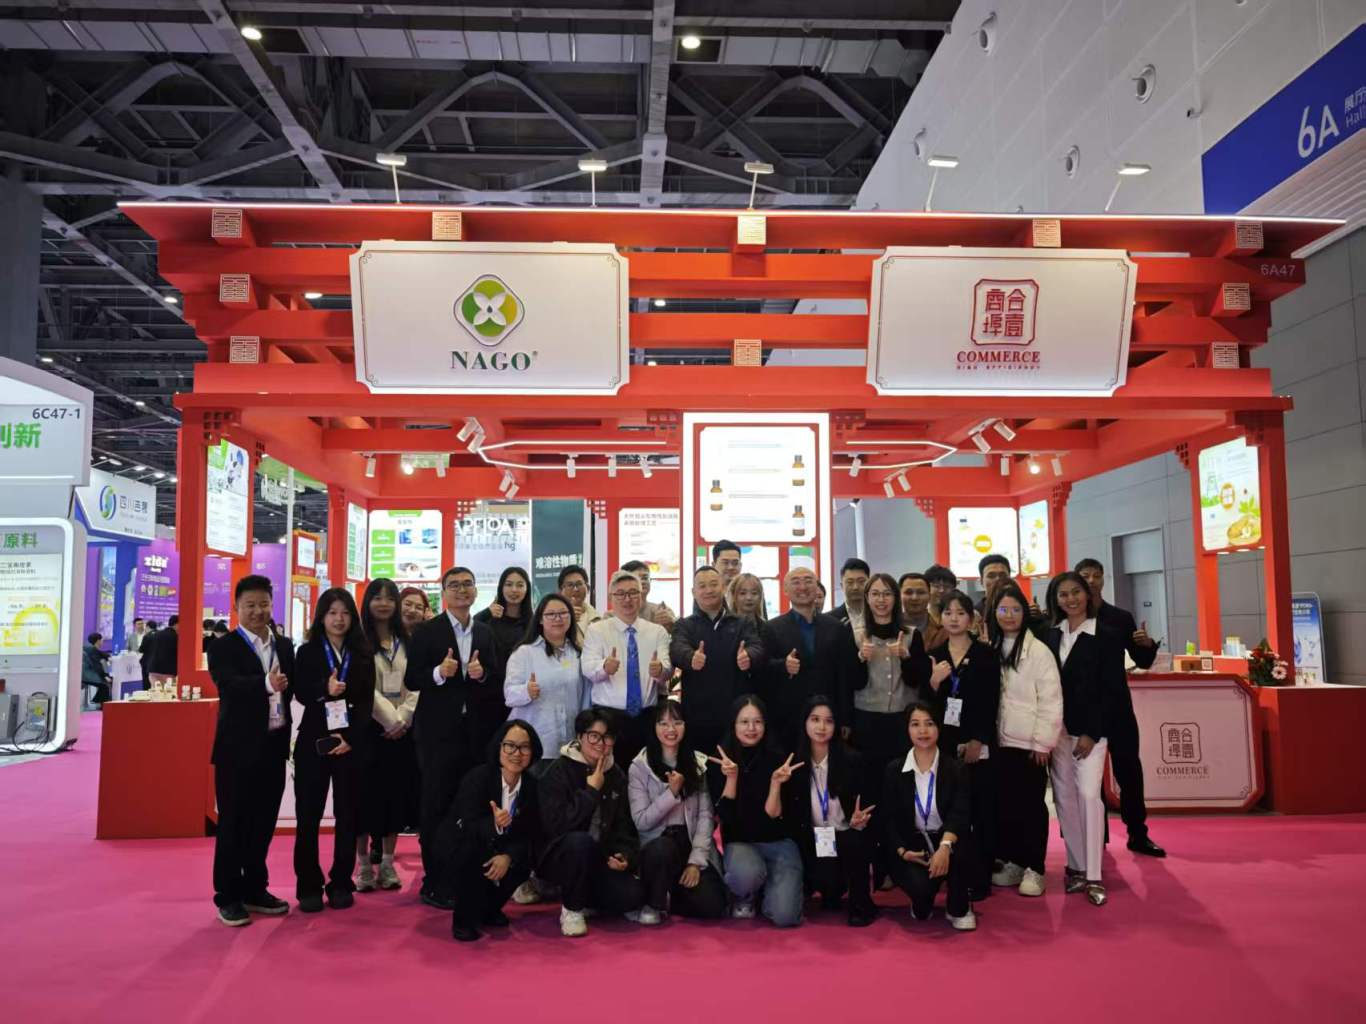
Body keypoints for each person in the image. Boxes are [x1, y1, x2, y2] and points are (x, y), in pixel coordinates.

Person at [405, 566, 503, 910]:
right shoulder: (427, 631)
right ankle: (434, 880)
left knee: (470, 806)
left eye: (468, 584)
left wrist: (482, 673)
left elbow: (495, 680)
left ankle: (465, 875)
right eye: (455, 585)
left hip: (474, 735)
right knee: (435, 806)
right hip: (438, 736)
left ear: (476, 590)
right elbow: (412, 678)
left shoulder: (485, 632)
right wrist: (438, 672)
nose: (462, 590)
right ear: (444, 592)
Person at [208, 575, 295, 926]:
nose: (258, 611)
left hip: (274, 746)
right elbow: (228, 684)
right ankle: (228, 896)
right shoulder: (223, 647)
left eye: (264, 604)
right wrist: (265, 684)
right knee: (233, 823)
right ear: (237, 608)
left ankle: (256, 888)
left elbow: (294, 688)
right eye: (250, 605)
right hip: (237, 750)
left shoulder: (284, 645)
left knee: (263, 823)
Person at [1045, 571, 1128, 907]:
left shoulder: (1106, 636)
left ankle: (1094, 874)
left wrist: (1092, 732)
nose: (1071, 599)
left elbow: (1112, 691)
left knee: (1089, 796)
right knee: (1064, 798)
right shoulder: (1050, 635)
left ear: (1088, 595)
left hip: (1090, 735)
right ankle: (1076, 867)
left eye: (1076, 592)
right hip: (1056, 733)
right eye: (1063, 594)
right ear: (1055, 599)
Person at [502, 592, 590, 906]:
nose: (557, 619)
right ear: (540, 619)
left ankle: (551, 876)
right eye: (551, 614)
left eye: (563, 614)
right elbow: (508, 695)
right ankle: (522, 878)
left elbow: (585, 698)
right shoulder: (525, 653)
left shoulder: (578, 654)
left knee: (560, 819)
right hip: (536, 747)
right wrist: (527, 691)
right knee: (530, 817)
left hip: (568, 750)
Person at [1075, 557, 1165, 858]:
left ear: (1103, 579)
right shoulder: (1068, 618)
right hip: (1083, 710)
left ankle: (1138, 833)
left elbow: (1142, 661)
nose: (1091, 580)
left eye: (1096, 575)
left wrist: (1146, 644)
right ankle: (1096, 838)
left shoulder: (1120, 617)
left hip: (1118, 707)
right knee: (1088, 778)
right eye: (1085, 575)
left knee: (1129, 772)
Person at [292, 587, 374, 913]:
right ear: (321, 617)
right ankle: (308, 886)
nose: (339, 619)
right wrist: (323, 689)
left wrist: (351, 737)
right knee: (308, 816)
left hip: (350, 745)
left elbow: (366, 702)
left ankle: (341, 882)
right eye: (332, 613)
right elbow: (300, 692)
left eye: (345, 613)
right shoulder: (307, 652)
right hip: (314, 742)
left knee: (348, 815)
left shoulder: (363, 653)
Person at [849, 572, 929, 885]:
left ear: (895, 599)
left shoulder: (911, 635)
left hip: (901, 724)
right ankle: (877, 866)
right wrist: (860, 658)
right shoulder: (855, 634)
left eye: (887, 594)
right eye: (875, 594)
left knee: (899, 794)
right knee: (870, 793)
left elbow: (918, 681)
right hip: (867, 724)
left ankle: (900, 863)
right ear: (867, 599)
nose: (881, 600)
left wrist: (906, 657)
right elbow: (850, 683)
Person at [538, 709, 645, 937]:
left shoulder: (617, 775)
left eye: (607, 737)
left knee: (633, 895)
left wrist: (625, 855)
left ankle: (585, 897)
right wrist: (591, 791)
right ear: (580, 737)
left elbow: (624, 826)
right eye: (594, 736)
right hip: (560, 856)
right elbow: (556, 825)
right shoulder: (557, 772)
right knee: (580, 842)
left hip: (599, 858)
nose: (601, 743)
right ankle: (571, 909)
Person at [986, 582, 1062, 898]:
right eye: (1003, 609)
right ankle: (1014, 862)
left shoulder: (1038, 651)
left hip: (1028, 744)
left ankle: (1035, 867)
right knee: (1005, 806)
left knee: (1031, 807)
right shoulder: (990, 646)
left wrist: (1043, 742)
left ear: (1024, 613)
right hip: (998, 743)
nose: (1009, 615)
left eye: (1015, 609)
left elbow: (1051, 699)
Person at [925, 590, 1001, 898]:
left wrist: (978, 739)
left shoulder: (986, 653)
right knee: (951, 807)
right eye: (948, 613)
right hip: (944, 742)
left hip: (977, 739)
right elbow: (927, 705)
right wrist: (933, 681)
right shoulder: (935, 653)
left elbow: (991, 701)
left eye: (960, 613)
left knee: (981, 807)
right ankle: (953, 873)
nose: (954, 619)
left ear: (971, 618)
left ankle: (980, 878)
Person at [628, 701, 729, 924]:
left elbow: (705, 817)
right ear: (654, 728)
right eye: (663, 723)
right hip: (658, 845)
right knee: (661, 850)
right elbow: (642, 821)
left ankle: (670, 896)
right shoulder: (639, 767)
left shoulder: (698, 764)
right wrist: (671, 793)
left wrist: (695, 862)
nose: (671, 729)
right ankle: (654, 901)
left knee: (714, 905)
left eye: (677, 722)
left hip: (689, 844)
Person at [442, 719, 543, 942]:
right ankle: (463, 920)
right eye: (510, 746)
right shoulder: (478, 778)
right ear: (499, 747)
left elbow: (530, 831)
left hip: (504, 849)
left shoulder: (532, 786)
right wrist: (494, 825)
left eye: (524, 747)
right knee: (471, 855)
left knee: (523, 861)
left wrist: (508, 856)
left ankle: (490, 910)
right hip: (467, 846)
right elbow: (466, 823)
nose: (517, 753)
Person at [708, 695, 804, 927]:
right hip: (741, 842)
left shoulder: (779, 758)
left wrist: (775, 784)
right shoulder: (721, 760)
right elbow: (726, 817)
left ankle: (768, 892)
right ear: (733, 724)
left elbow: (773, 816)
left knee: (785, 917)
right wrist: (731, 778)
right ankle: (747, 893)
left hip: (778, 842)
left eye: (757, 721)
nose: (751, 728)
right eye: (744, 722)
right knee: (745, 876)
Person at [786, 697, 877, 926]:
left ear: (836, 726)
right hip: (810, 837)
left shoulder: (851, 760)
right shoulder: (793, 763)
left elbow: (867, 803)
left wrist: (859, 820)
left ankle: (859, 906)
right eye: (815, 719)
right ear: (805, 723)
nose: (821, 727)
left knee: (857, 842)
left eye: (828, 721)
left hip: (844, 834)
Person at [884, 703, 976, 930]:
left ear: (938, 728)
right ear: (907, 729)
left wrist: (945, 847)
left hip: (947, 838)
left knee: (964, 850)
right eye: (915, 724)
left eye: (929, 723)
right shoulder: (894, 770)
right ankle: (922, 899)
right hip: (913, 845)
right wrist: (903, 852)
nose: (923, 731)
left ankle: (959, 907)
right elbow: (889, 819)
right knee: (921, 899)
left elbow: (960, 813)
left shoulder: (955, 769)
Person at [355, 578, 418, 894]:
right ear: (367, 603)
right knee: (364, 798)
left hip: (402, 732)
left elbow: (417, 683)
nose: (383, 604)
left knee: (395, 796)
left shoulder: (407, 641)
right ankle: (364, 865)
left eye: (389, 598)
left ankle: (389, 863)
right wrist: (390, 720)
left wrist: (403, 717)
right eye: (377, 598)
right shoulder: (357, 641)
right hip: (369, 731)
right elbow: (363, 687)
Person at [670, 565, 765, 755]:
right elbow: (677, 649)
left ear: (723, 587)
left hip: (735, 712)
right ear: (693, 592)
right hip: (697, 713)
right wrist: (690, 657)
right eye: (702, 586)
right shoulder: (684, 625)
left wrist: (749, 656)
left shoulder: (742, 623)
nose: (709, 590)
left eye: (714, 584)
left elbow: (757, 647)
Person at [581, 570, 672, 766]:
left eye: (633, 593)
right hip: (608, 717)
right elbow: (587, 668)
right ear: (611, 598)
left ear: (642, 595)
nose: (627, 599)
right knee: (609, 773)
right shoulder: (597, 631)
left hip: (647, 717)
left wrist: (660, 671)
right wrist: (604, 667)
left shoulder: (657, 632)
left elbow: (667, 670)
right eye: (620, 594)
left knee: (647, 771)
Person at [759, 567, 856, 747]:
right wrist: (783, 665)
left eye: (808, 581)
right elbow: (762, 669)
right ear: (785, 590)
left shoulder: (836, 627)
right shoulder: (772, 628)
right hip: (788, 717)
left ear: (817, 587)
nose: (802, 587)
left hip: (828, 716)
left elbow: (844, 676)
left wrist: (845, 718)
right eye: (796, 582)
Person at [474, 567, 532, 662]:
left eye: (520, 585)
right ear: (501, 588)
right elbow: (471, 627)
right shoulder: (488, 618)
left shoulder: (533, 622)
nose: (514, 590)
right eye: (509, 584)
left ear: (527, 589)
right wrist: (486, 613)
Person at [622, 559, 678, 631]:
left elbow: (677, 635)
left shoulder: (662, 611)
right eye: (637, 578)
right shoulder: (612, 616)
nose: (642, 581)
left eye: (645, 578)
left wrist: (672, 624)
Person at [899, 572, 945, 651]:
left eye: (921, 592)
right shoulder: (889, 628)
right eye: (908, 592)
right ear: (899, 596)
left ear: (929, 596)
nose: (914, 598)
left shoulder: (943, 632)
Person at [558, 564, 601, 645]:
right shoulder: (552, 616)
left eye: (579, 584)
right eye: (570, 585)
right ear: (561, 590)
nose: (575, 589)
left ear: (587, 588)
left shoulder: (597, 618)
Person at [830, 557, 871, 630]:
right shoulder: (830, 619)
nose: (855, 587)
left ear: (870, 584)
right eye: (850, 582)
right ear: (842, 586)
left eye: (861, 581)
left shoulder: (881, 614)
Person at [147, 615, 179, 686]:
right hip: (168, 672)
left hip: (153, 670)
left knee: (155, 691)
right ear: (176, 624)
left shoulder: (156, 634)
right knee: (168, 691)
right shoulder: (176, 637)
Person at [82, 633, 111, 706]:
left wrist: (107, 656)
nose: (102, 642)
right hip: (88, 675)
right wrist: (104, 676)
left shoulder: (87, 647)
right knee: (105, 685)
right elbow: (97, 665)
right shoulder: (92, 649)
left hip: (84, 674)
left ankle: (96, 700)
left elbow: (100, 653)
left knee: (104, 685)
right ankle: (103, 706)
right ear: (98, 641)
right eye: (101, 640)